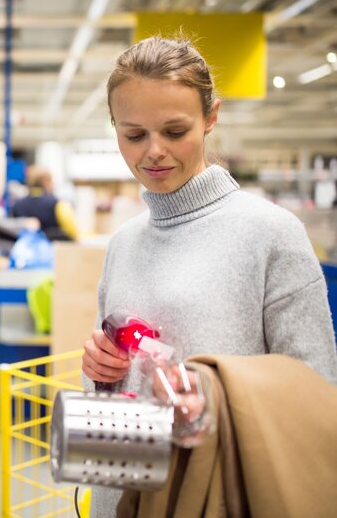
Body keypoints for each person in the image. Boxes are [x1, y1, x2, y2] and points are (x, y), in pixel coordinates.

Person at [80, 36, 337, 517]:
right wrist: (100, 370)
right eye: (133, 135)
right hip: (124, 494)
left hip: (220, 493)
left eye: (175, 131)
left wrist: (213, 398)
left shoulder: (270, 234)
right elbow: (115, 376)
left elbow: (318, 394)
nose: (154, 152)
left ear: (211, 117)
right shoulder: (125, 242)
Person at [12, 166, 77, 241]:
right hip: (54, 250)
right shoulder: (59, 204)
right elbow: (72, 231)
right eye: (51, 181)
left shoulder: (17, 205)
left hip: (25, 250)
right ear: (45, 181)